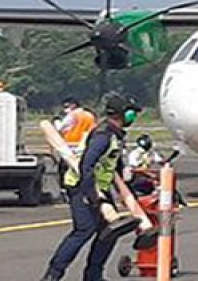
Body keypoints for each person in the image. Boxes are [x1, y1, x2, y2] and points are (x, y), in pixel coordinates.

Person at [41, 92, 144, 281]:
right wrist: (95, 198)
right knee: (84, 230)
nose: (134, 117)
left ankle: (93, 275)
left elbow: (114, 166)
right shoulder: (103, 136)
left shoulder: (115, 135)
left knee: (109, 232)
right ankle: (53, 275)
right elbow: (86, 166)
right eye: (131, 113)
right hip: (82, 185)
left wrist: (133, 187)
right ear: (123, 113)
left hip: (99, 186)